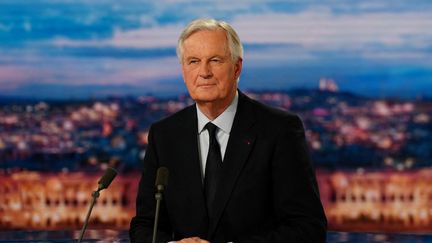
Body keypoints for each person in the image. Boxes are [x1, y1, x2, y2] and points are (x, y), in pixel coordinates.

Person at [129, 18, 327, 243]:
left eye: (215, 60)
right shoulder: (164, 135)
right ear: (183, 70)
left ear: (237, 67)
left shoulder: (279, 130)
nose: (204, 72)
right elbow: (144, 226)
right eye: (193, 61)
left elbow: (308, 228)